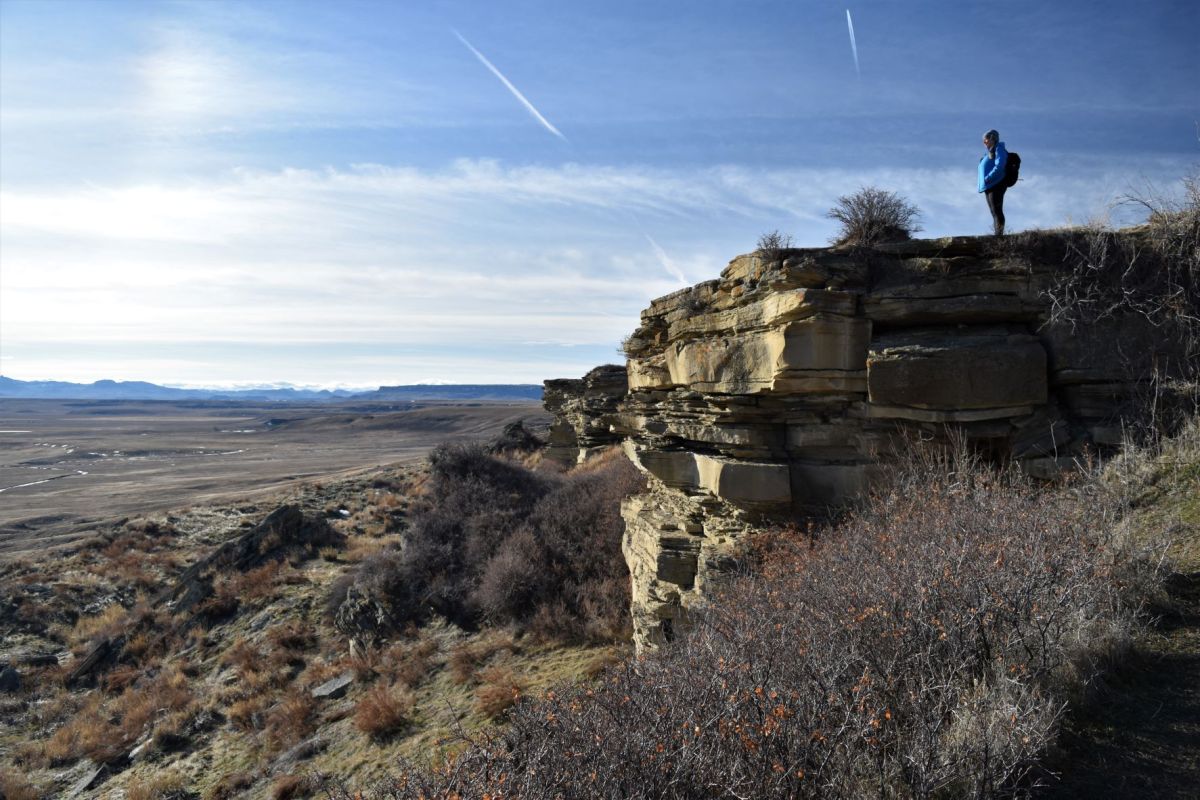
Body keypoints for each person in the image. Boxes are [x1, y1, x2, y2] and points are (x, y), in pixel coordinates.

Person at [978, 129, 1008, 235]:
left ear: (992, 138)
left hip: (996, 183)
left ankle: (999, 237)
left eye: (985, 139)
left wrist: (989, 177)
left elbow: (1000, 165)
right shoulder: (990, 152)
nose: (984, 142)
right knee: (994, 211)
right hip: (990, 185)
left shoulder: (999, 149)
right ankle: (998, 235)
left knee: (996, 211)